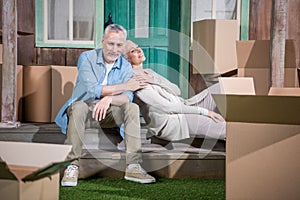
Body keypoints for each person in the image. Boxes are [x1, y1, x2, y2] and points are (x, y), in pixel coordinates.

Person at [55, 25, 156, 186]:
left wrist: (108, 99)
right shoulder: (86, 58)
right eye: (110, 44)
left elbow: (127, 98)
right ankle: (72, 165)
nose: (114, 49)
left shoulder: (125, 66)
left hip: (108, 113)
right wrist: (124, 86)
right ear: (103, 42)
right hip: (84, 112)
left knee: (132, 108)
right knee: (79, 106)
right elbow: (92, 89)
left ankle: (133, 166)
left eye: (119, 45)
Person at [123, 40, 226, 142]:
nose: (139, 50)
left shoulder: (149, 72)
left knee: (222, 86)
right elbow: (167, 107)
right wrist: (206, 112)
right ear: (126, 59)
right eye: (133, 51)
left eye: (137, 47)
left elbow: (176, 90)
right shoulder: (136, 80)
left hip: (184, 105)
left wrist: (154, 80)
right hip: (174, 121)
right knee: (225, 128)